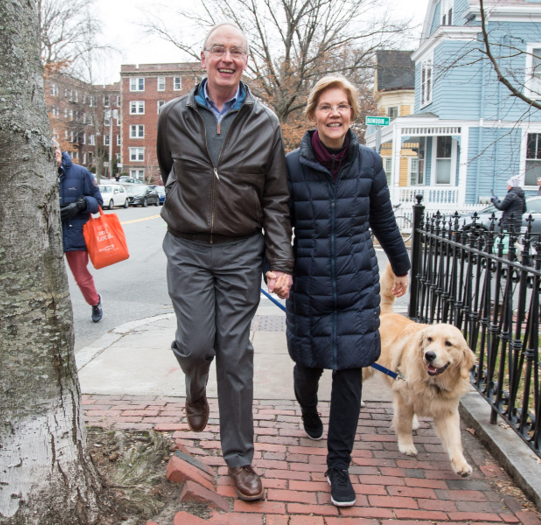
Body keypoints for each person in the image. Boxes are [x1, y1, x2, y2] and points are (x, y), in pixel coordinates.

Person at [156, 22, 293, 502]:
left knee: (236, 354)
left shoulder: (266, 121)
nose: (227, 58)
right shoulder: (172, 115)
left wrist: (281, 262)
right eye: (219, 50)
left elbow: (276, 198)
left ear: (246, 61)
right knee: (196, 345)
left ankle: (241, 459)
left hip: (240, 251)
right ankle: (195, 388)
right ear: (203, 57)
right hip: (189, 248)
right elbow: (168, 169)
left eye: (236, 51)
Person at [284, 76, 411, 508]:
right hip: (310, 285)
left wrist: (402, 265)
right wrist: (277, 268)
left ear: (352, 114)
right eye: (325, 106)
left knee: (350, 373)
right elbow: (280, 226)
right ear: (313, 115)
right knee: (307, 368)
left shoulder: (370, 163)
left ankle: (338, 467)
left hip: (357, 285)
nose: (334, 113)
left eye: (342, 106)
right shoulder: (291, 166)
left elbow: (384, 220)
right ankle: (307, 410)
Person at [55, 139, 104, 322]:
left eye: (56, 149)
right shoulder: (38, 175)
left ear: (60, 150)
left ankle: (95, 302)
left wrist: (80, 204)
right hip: (49, 236)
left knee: (81, 278)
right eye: (50, 150)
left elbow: (98, 202)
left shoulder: (81, 173)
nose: (55, 153)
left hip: (75, 234)